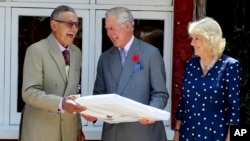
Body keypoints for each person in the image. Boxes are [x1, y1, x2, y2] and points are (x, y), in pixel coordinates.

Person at [82, 7, 169, 141]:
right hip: (114, 134)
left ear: (127, 26)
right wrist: (93, 113)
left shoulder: (151, 54)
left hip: (144, 132)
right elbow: (99, 95)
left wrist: (151, 112)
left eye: (112, 28)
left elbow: (160, 93)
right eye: (107, 28)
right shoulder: (105, 58)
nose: (109, 33)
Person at [19, 5, 86, 141]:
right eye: (70, 24)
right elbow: (29, 92)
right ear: (54, 25)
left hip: (69, 132)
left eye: (76, 25)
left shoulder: (76, 53)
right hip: (41, 132)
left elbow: (73, 94)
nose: (74, 29)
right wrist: (61, 103)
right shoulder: (36, 50)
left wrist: (78, 127)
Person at [173, 17, 242, 141]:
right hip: (188, 134)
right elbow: (183, 103)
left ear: (210, 40)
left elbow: (234, 108)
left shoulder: (230, 65)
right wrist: (176, 133)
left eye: (196, 38)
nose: (192, 43)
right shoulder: (190, 65)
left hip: (216, 135)